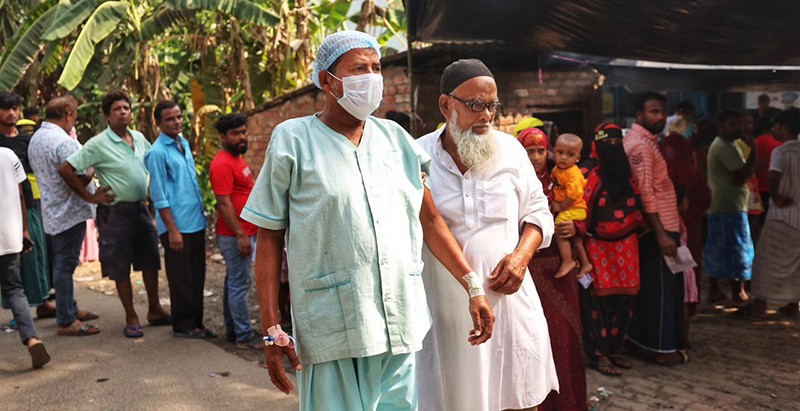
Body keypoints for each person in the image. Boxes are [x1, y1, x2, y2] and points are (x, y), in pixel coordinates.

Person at [241, 32, 494, 410]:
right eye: (359, 68)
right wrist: (271, 329)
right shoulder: (292, 141)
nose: (372, 77)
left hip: (399, 320)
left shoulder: (397, 141)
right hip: (333, 324)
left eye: (376, 67)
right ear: (327, 80)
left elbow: (430, 221)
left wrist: (473, 286)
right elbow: (270, 235)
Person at [415, 59, 557, 411]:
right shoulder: (418, 155)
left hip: (509, 300)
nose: (486, 116)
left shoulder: (510, 151)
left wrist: (521, 256)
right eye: (476, 105)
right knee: (453, 398)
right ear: (447, 104)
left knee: (519, 396)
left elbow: (538, 211)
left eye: (492, 105)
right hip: (446, 310)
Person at [59, 91, 171, 338]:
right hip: (115, 213)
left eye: (126, 107)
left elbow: (152, 165)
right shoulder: (98, 143)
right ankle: (131, 316)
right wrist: (90, 197)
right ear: (108, 116)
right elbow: (67, 168)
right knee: (120, 266)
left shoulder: (140, 138)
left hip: (141, 209)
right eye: (117, 109)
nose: (123, 111)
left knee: (150, 260)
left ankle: (154, 309)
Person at [518, 123, 588, 411]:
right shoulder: (512, 180)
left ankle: (569, 403)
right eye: (529, 150)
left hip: (560, 267)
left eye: (540, 151)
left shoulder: (560, 177)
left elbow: (582, 211)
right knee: (532, 337)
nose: (535, 157)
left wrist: (576, 227)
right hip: (528, 270)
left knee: (565, 333)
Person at [28, 96, 101, 337]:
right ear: (68, 113)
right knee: (65, 264)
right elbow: (77, 175)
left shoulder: (37, 137)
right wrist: (92, 167)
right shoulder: (62, 141)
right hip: (69, 210)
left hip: (53, 207)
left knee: (62, 261)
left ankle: (69, 307)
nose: (76, 118)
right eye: (75, 113)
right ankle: (66, 319)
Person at [624, 92, 687, 366]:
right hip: (656, 230)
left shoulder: (648, 142)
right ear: (640, 115)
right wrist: (661, 233)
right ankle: (662, 349)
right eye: (653, 112)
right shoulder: (640, 145)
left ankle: (656, 344)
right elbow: (645, 192)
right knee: (660, 291)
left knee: (663, 288)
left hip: (665, 225)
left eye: (662, 111)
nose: (660, 117)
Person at [579, 122, 644, 377]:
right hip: (596, 246)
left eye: (618, 143)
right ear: (596, 145)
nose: (613, 149)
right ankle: (598, 354)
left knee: (625, 300)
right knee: (598, 302)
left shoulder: (629, 172)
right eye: (608, 144)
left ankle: (617, 349)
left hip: (628, 245)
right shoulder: (586, 171)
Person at [145, 100, 211, 339]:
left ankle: (197, 323)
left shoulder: (182, 143)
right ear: (158, 123)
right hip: (177, 226)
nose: (177, 122)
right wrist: (172, 230)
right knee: (181, 278)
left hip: (195, 222)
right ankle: (183, 325)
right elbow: (159, 196)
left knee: (197, 275)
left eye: (179, 117)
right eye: (170, 119)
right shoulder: (157, 153)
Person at [0, 92, 53, 318]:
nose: (12, 113)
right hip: (4, 210)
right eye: (6, 108)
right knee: (12, 262)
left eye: (15, 108)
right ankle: (17, 314)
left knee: (36, 255)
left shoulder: (27, 140)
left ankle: (41, 303)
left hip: (28, 205)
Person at [209, 113, 260, 349]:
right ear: (223, 137)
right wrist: (240, 234)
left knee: (234, 282)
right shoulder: (222, 163)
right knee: (240, 284)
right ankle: (244, 335)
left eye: (243, 132)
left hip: (244, 231)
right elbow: (224, 203)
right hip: (235, 235)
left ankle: (233, 330)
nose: (242, 137)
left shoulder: (237, 159)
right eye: (236, 133)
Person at [0, 146, 51, 368]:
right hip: (9, 236)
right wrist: (24, 231)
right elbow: (22, 193)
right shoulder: (8, 154)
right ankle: (32, 339)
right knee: (14, 289)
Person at [750, 108, 800, 319]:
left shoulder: (781, 151)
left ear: (785, 127)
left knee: (767, 261)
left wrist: (777, 196)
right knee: (795, 265)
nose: (772, 129)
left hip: (782, 216)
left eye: (776, 125)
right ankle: (792, 306)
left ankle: (760, 307)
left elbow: (772, 175)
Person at [704, 110, 756, 306]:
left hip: (726, 204)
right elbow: (743, 174)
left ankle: (716, 290)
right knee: (737, 248)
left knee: (720, 247)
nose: (739, 128)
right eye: (733, 124)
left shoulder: (729, 145)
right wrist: (754, 148)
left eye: (739, 124)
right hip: (728, 206)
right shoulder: (724, 146)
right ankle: (738, 291)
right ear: (722, 126)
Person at [551, 133, 592, 279]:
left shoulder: (573, 173)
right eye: (560, 152)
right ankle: (586, 263)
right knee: (576, 239)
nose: (563, 157)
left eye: (570, 154)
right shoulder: (557, 170)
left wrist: (561, 207)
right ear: (553, 151)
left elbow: (573, 195)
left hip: (575, 209)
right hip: (571, 209)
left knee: (559, 225)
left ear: (577, 159)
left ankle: (568, 260)